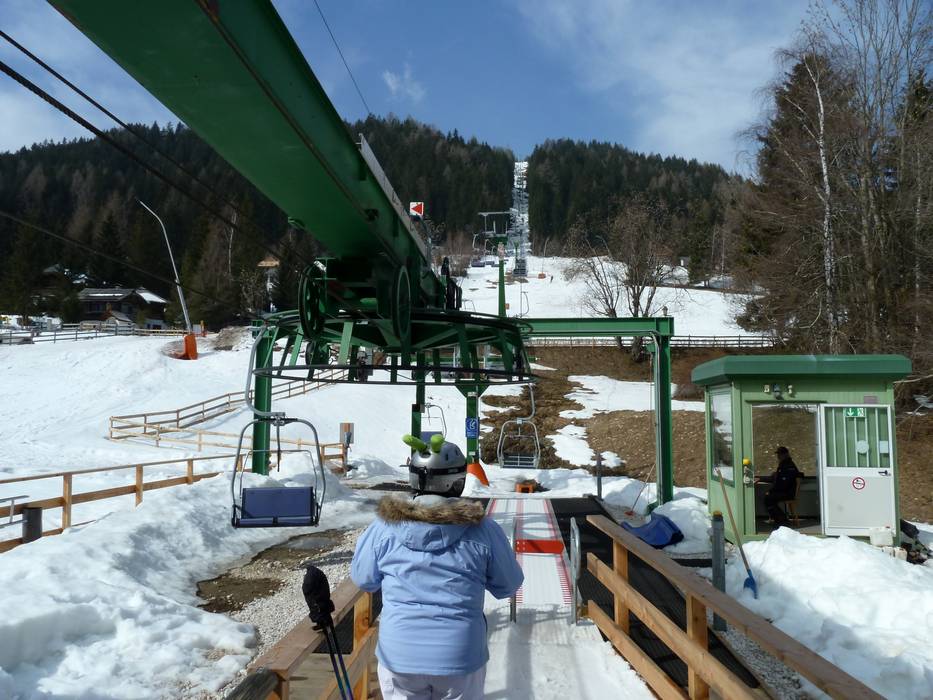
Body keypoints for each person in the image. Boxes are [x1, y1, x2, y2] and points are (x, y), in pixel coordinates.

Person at [351, 494, 523, 700]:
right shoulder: (484, 529)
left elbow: (364, 579)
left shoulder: (383, 527)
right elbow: (509, 585)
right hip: (460, 653)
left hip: (399, 652)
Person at [757, 445, 803, 525]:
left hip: (788, 493)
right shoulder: (783, 465)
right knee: (768, 497)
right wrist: (760, 478)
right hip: (784, 491)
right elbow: (776, 479)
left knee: (768, 499)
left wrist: (771, 491)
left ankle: (782, 521)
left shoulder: (789, 466)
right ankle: (779, 519)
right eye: (778, 454)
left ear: (786, 454)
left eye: (780, 454)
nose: (778, 456)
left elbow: (783, 484)